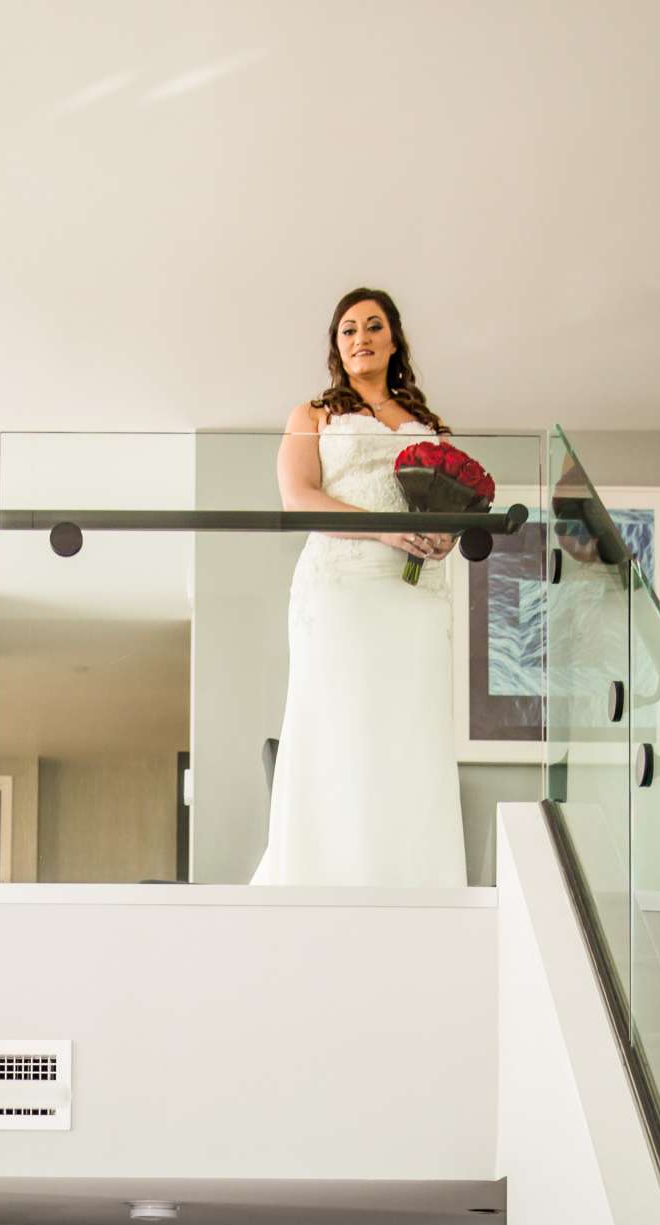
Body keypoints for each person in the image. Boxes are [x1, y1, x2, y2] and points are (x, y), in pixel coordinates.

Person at [251, 286, 468, 889]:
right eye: (348, 330)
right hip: (342, 586)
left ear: (394, 339)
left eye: (373, 326)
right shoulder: (312, 415)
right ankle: (325, 879)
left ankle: (411, 883)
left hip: (415, 596)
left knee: (409, 731)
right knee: (338, 719)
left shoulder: (427, 427)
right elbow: (298, 499)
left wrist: (442, 536)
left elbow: (444, 506)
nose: (361, 338)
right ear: (336, 346)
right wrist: (387, 532)